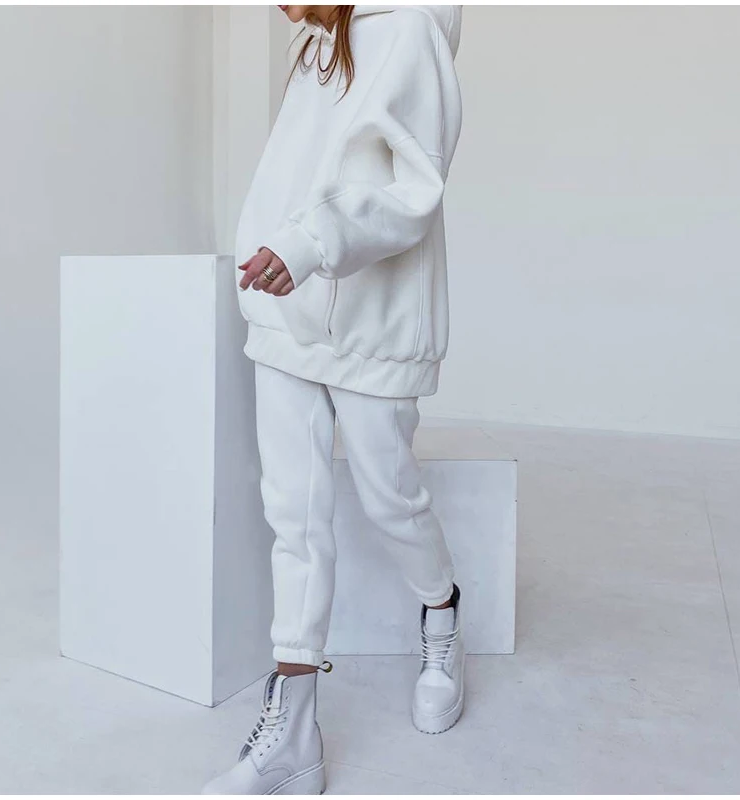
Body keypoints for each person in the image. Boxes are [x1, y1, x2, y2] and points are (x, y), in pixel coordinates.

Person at [202, 4, 463, 794]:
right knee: (295, 515)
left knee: (390, 497)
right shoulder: (316, 44)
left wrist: (312, 243)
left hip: (373, 324)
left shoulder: (410, 27)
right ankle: (295, 733)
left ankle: (442, 611)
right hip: (284, 307)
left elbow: (415, 188)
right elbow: (291, 176)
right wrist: (271, 248)